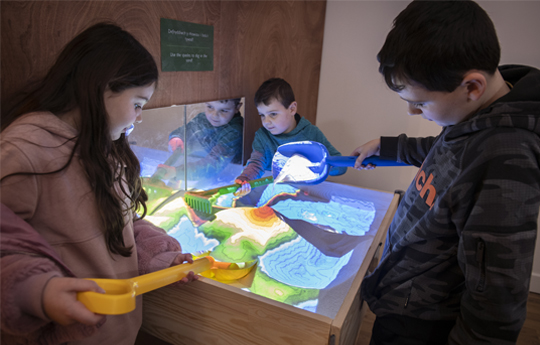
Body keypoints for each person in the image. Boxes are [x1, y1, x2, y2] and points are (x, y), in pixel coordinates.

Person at [351, 1, 540, 344]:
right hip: (405, 296)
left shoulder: (504, 157)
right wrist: (387, 145)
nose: (412, 111)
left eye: (420, 103)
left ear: (471, 87)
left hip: (424, 321)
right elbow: (446, 152)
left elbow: (497, 294)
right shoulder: (478, 116)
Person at [0, 23, 197, 344]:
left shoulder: (106, 150)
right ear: (103, 88)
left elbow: (122, 225)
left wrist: (162, 259)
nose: (140, 117)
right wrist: (38, 291)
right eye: (138, 104)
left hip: (119, 333)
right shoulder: (25, 150)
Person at [234, 78, 346, 196]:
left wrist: (319, 164)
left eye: (273, 114)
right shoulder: (262, 136)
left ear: (292, 109)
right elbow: (256, 163)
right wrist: (245, 178)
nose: (266, 122)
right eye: (262, 115)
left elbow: (340, 167)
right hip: (270, 193)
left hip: (303, 194)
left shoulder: (311, 134)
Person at [154, 98, 244, 183]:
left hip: (227, 176)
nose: (214, 115)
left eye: (224, 110)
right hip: (203, 170)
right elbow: (186, 130)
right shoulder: (202, 118)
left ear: (237, 107)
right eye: (210, 107)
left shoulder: (235, 131)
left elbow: (213, 164)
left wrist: (177, 172)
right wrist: (177, 138)